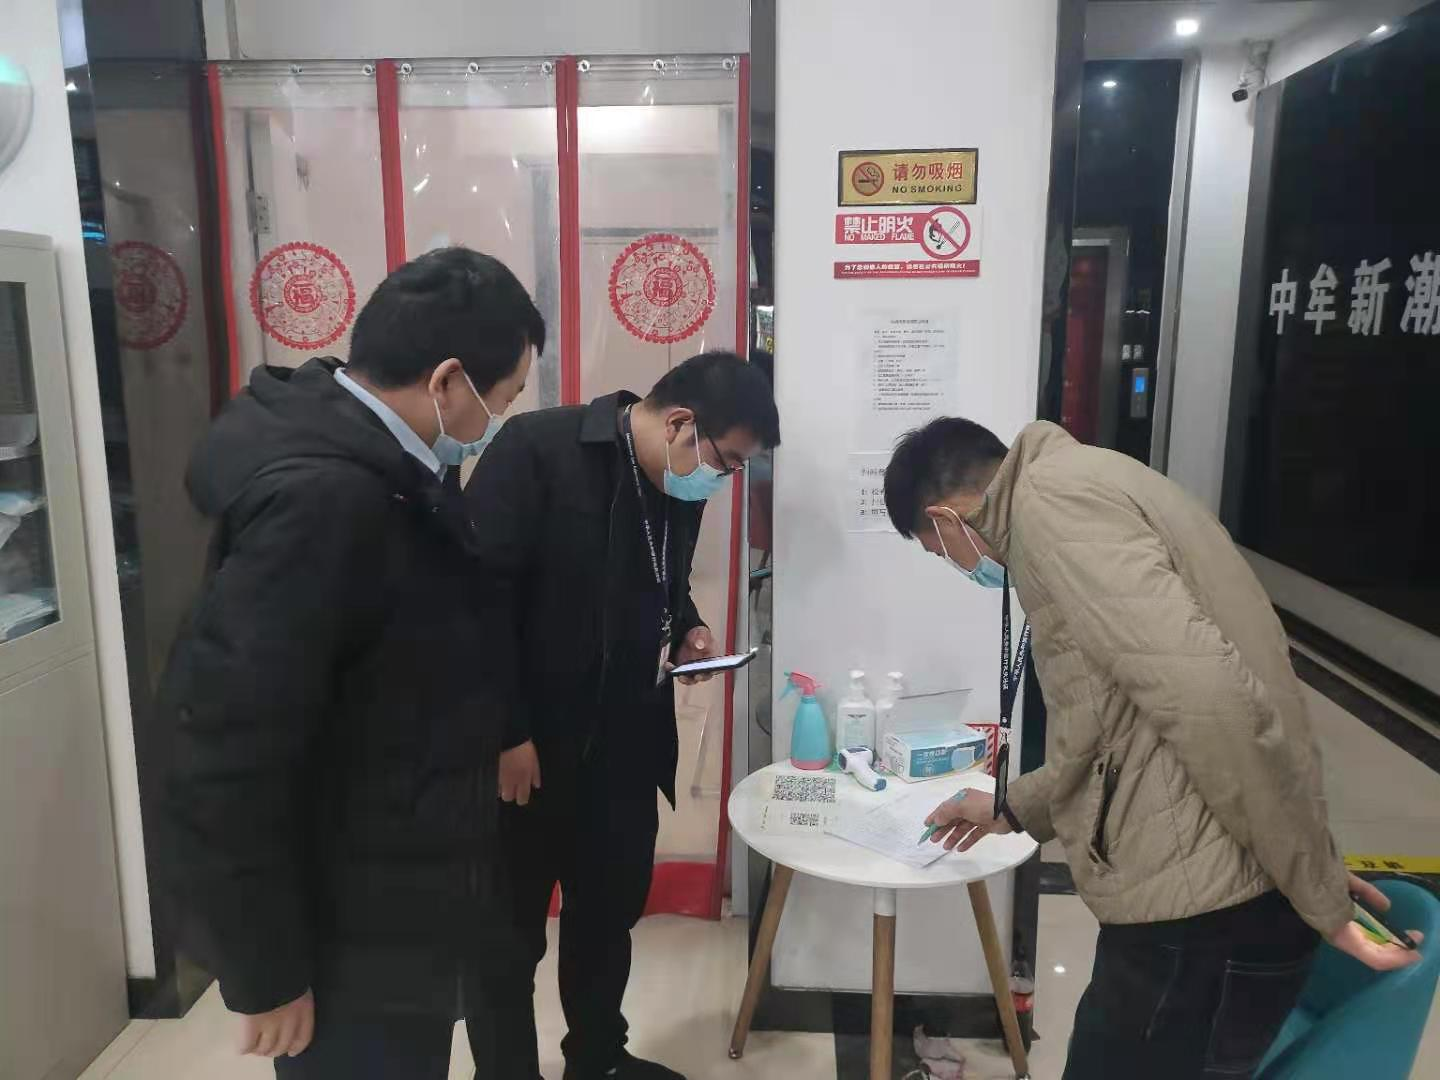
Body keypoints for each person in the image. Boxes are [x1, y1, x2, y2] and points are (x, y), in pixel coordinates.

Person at [883, 417, 1424, 1080]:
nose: (958, 567)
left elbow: (1211, 698)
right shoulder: (1099, 480)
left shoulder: (1053, 509)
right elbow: (1117, 730)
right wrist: (1011, 806)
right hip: (1223, 881)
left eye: (941, 553)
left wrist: (1308, 876)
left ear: (946, 518)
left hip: (1198, 917)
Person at [159, 247, 542, 1078]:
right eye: (505, 397)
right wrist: (265, 970)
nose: (501, 419)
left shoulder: (397, 472)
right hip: (345, 935)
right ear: (447, 382)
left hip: (398, 902)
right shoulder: (329, 500)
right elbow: (225, 747)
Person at [465, 351, 781, 1080]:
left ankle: (599, 1060)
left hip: (625, 748)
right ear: (680, 424)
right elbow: (477, 601)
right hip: (530, 751)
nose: (723, 480)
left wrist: (688, 625)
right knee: (506, 939)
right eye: (726, 462)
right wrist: (505, 732)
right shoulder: (538, 451)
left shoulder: (678, 480)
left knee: (606, 922)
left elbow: (662, 579)